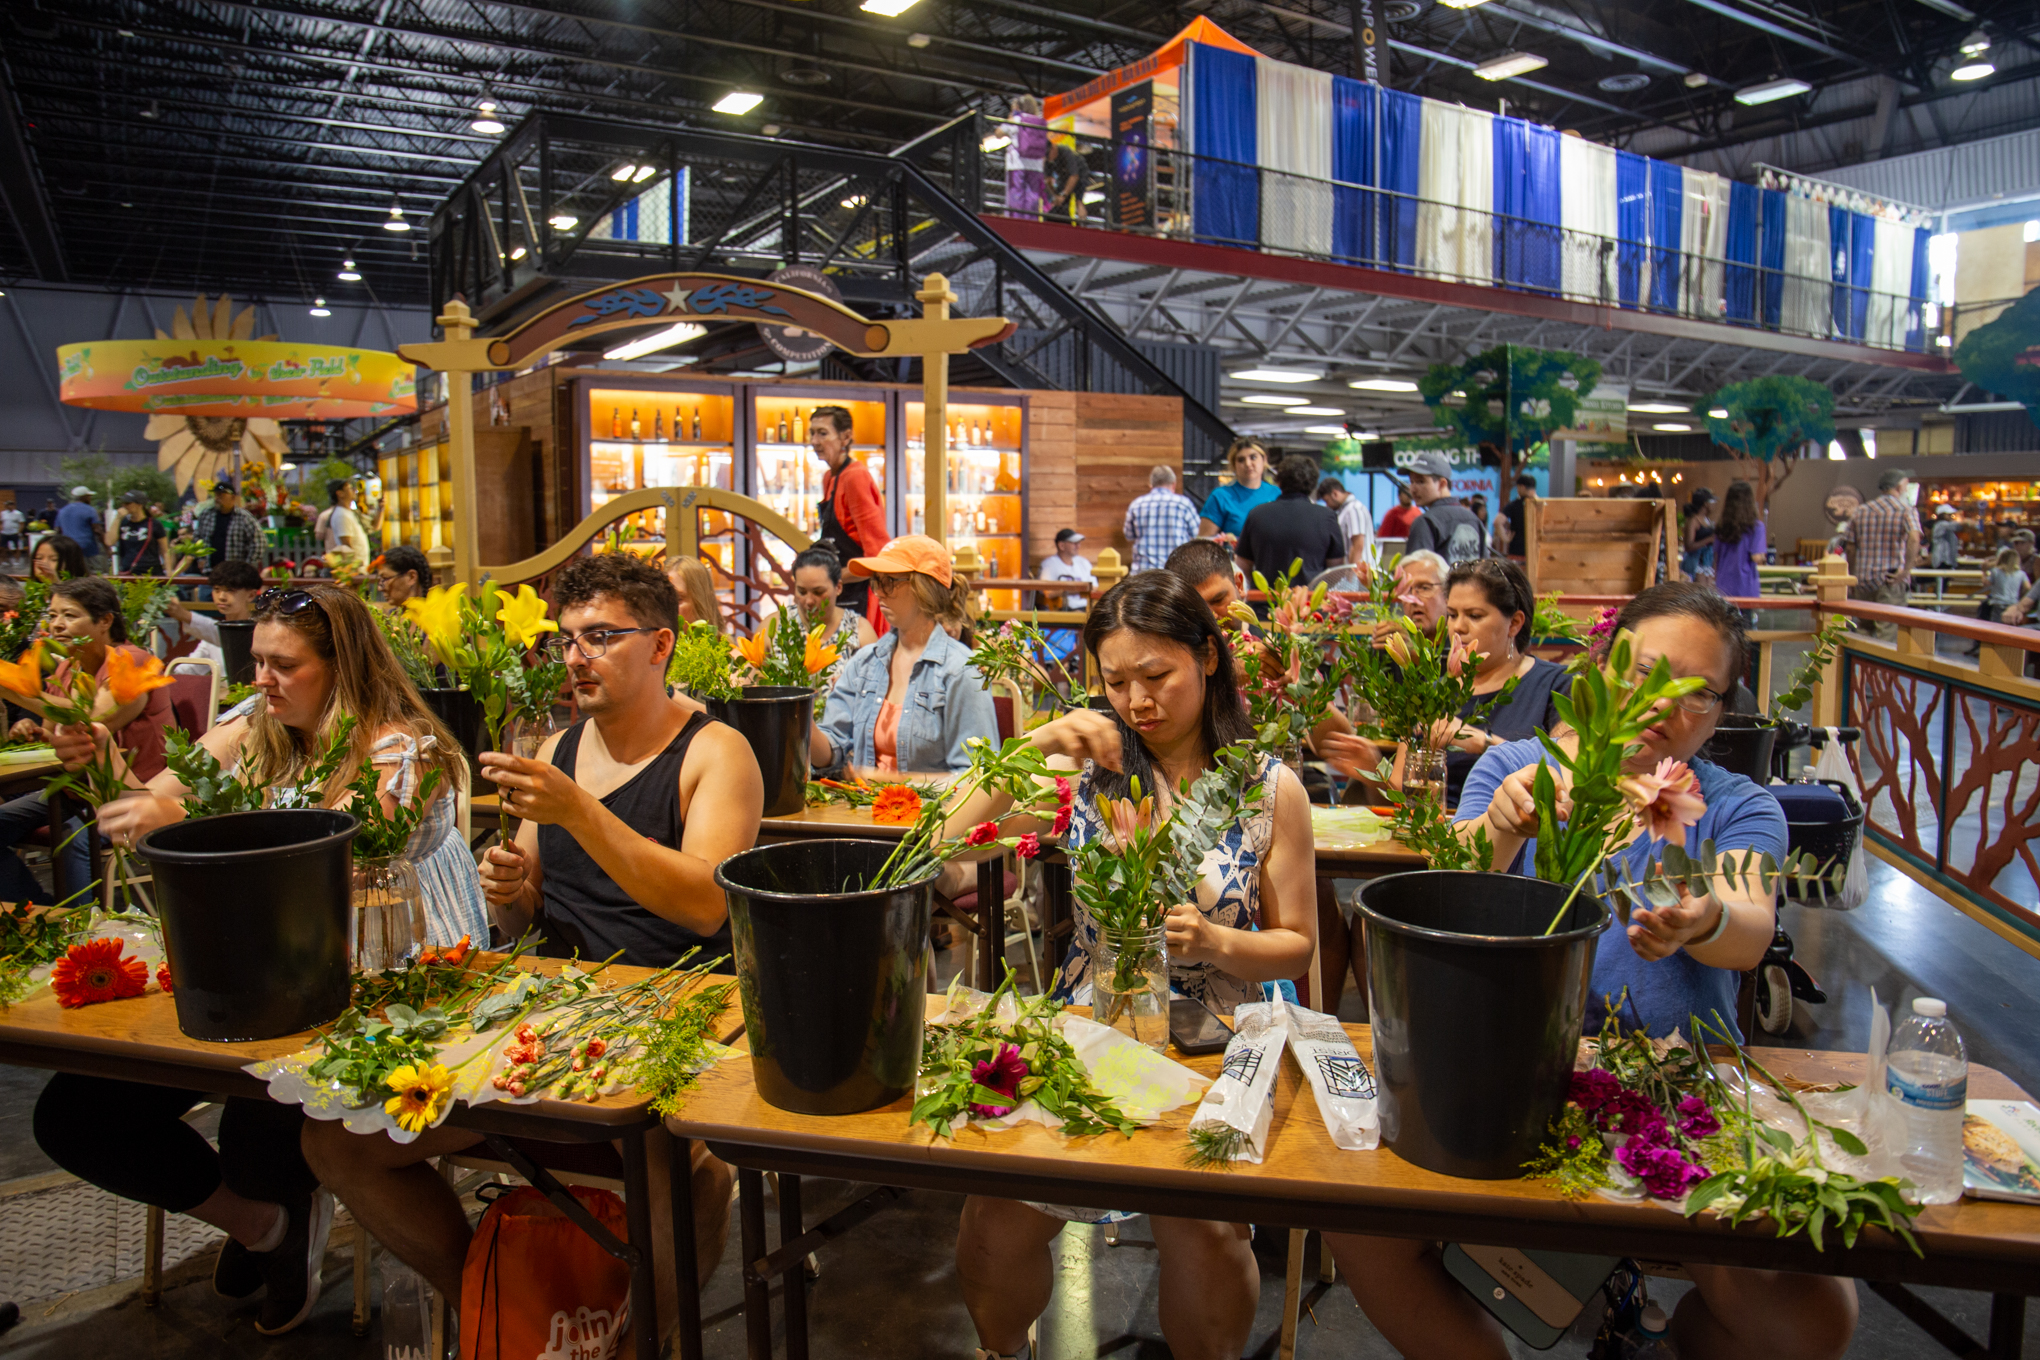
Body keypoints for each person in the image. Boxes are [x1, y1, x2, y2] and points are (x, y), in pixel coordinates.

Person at [1323, 583, 1857, 1360]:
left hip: (1668, 1089)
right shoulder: (1514, 767)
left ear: (1722, 710)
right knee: (1357, 1222)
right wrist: (1504, 822)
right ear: (1604, 668)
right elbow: (1451, 882)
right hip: (1502, 1082)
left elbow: (1749, 928)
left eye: (1698, 695)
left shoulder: (1735, 806)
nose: (1664, 706)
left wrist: (1703, 916)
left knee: (1814, 1316)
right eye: (1645, 673)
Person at [306, 553, 759, 1317]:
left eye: (600, 637)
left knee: (674, 1160)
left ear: (659, 646)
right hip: (554, 1003)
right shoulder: (557, 750)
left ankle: (658, 1334)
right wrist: (511, 892)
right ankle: (493, 1312)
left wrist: (579, 810)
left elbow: (706, 907)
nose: (577, 657)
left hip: (679, 1004)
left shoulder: (717, 752)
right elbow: (527, 916)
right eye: (568, 640)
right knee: (337, 1142)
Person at [944, 572, 1315, 1360]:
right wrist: (1033, 743)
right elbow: (944, 843)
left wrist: (1216, 942)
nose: (1137, 701)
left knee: (1204, 1229)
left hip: (1215, 1040)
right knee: (994, 1218)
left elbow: (1297, 945)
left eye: (1156, 676)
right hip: (1092, 1030)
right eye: (1116, 682)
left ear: (1207, 659)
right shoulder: (1086, 774)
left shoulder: (1267, 786)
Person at [0, 577, 177, 902]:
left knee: (78, 840)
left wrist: (14, 690)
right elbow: (54, 731)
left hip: (133, 792)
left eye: (69, 615)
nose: (57, 625)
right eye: (52, 616)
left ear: (105, 620)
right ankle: (37, 910)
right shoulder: (66, 667)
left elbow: (98, 719)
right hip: (75, 793)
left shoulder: (131, 659)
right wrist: (32, 729)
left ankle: (84, 925)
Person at [809, 535, 997, 781]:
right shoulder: (865, 662)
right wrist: (798, 717)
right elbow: (831, 751)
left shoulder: (962, 670)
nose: (877, 593)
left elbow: (980, 779)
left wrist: (890, 781)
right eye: (875, 582)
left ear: (923, 588)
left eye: (888, 582)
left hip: (932, 817)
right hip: (861, 814)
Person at [810, 405, 888, 625]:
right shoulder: (830, 477)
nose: (815, 441)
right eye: (812, 433)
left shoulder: (855, 478)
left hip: (861, 596)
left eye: (822, 433)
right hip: (841, 592)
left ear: (845, 437)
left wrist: (831, 578)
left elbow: (878, 557)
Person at [1836, 467, 1920, 641]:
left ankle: (1856, 667)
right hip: (1890, 579)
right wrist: (1906, 571)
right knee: (1887, 633)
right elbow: (1914, 538)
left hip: (1863, 579)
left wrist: (1852, 576)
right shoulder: (1906, 510)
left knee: (1863, 630)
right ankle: (1881, 668)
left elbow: (1850, 548)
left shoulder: (1861, 510)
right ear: (1899, 487)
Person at [1236, 454, 1345, 583]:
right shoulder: (1327, 517)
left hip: (1265, 600)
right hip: (1310, 601)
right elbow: (1335, 570)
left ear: (1279, 482)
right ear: (1313, 484)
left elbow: (1242, 565)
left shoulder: (1257, 514)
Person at [166, 560, 265, 672]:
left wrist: (185, 615)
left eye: (230, 590)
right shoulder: (212, 638)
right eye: (217, 590)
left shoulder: (260, 630)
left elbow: (230, 638)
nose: (221, 597)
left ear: (251, 595)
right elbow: (191, 667)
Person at [790, 545, 877, 655]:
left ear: (838, 587)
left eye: (818, 592)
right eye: (802, 592)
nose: (809, 601)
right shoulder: (779, 626)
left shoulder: (858, 630)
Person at [1400, 452, 1485, 563]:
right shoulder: (1473, 520)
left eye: (1421, 482)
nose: (1413, 489)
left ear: (1442, 484)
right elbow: (1484, 570)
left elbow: (1418, 573)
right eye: (1411, 482)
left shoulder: (1426, 522)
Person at [1197, 439, 1279, 540]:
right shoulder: (1220, 496)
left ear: (1264, 460)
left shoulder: (1277, 494)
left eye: (1253, 457)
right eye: (1241, 460)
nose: (1248, 464)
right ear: (1234, 465)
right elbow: (1203, 542)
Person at [1124, 464, 1200, 573]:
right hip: (1175, 574)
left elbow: (1129, 535)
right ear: (1173, 485)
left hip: (1143, 574)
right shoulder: (1184, 504)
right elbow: (1196, 533)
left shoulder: (1137, 504)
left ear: (1151, 485)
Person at [1710, 479, 1768, 606]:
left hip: (1723, 586)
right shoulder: (1756, 527)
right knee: (1746, 624)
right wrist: (1764, 556)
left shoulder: (1721, 527)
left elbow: (1716, 556)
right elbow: (1757, 556)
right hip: (1745, 587)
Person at [194, 480, 268, 568]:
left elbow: (259, 542)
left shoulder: (244, 518)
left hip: (235, 571)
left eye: (221, 495)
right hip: (210, 569)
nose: (217, 498)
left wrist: (248, 565)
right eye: (216, 495)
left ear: (233, 498)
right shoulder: (206, 515)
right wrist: (201, 558)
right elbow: (197, 537)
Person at [1316, 475, 1376, 568]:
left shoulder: (1354, 509)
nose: (1327, 505)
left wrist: (1350, 575)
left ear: (1335, 494)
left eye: (1327, 501)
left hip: (1359, 574)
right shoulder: (1346, 510)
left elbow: (1358, 545)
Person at [1003, 94, 1047, 217]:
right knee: (1032, 197)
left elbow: (999, 132)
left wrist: (1010, 116)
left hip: (1017, 164)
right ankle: (1031, 222)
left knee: (1016, 195)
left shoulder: (1017, 119)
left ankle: (1016, 222)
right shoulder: (1041, 122)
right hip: (1036, 165)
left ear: (1018, 106)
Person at [315, 479, 370, 567]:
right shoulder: (341, 515)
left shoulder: (350, 512)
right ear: (340, 493)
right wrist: (355, 565)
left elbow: (373, 526)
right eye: (350, 488)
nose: (354, 490)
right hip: (355, 569)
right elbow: (346, 544)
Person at [110, 492, 166, 575]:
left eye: (128, 503)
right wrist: (117, 518)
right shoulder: (123, 522)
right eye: (123, 503)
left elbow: (165, 550)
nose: (124, 506)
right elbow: (109, 541)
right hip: (128, 570)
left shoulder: (154, 524)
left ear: (140, 505)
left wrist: (169, 574)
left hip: (150, 571)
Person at [1037, 528, 1093, 608]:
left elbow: (1095, 587)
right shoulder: (1049, 565)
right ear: (1061, 546)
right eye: (1074, 543)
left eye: (1079, 543)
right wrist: (1079, 589)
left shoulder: (1084, 563)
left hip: (1088, 608)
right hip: (1064, 610)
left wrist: (1070, 589)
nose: (1078, 546)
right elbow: (1048, 592)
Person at [668, 553, 722, 629]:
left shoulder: (730, 641)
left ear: (702, 601)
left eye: (677, 599)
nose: (667, 608)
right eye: (663, 600)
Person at [54, 487, 102, 566]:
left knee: (71, 573)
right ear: (84, 497)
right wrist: (106, 547)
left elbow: (58, 530)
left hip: (68, 549)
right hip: (87, 550)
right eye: (89, 496)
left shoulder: (62, 511)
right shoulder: (90, 510)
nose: (90, 498)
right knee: (93, 574)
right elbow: (97, 530)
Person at [1046, 135, 1089, 222]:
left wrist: (1063, 195)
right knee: (1059, 205)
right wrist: (1055, 196)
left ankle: (1081, 210)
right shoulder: (1048, 160)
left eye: (1048, 154)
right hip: (1064, 177)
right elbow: (1047, 180)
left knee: (1078, 201)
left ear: (1053, 148)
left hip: (1080, 173)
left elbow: (1074, 176)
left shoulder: (1065, 152)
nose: (1048, 158)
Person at [1497, 471, 1537, 560]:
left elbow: (1497, 521)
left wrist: (1505, 538)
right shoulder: (1540, 505)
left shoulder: (1514, 505)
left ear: (1522, 487)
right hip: (1536, 552)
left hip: (1517, 552)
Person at [1681, 488, 1718, 581]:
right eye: (1712, 501)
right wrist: (1709, 539)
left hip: (1707, 562)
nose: (1715, 505)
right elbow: (1689, 546)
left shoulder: (1707, 520)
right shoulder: (1694, 521)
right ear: (1705, 503)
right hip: (1695, 562)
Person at [1928, 503, 1961, 570]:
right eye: (1948, 514)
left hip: (1947, 560)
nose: (1950, 516)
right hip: (1941, 560)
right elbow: (1957, 526)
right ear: (1942, 515)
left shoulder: (1948, 528)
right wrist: (1966, 522)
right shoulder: (1941, 525)